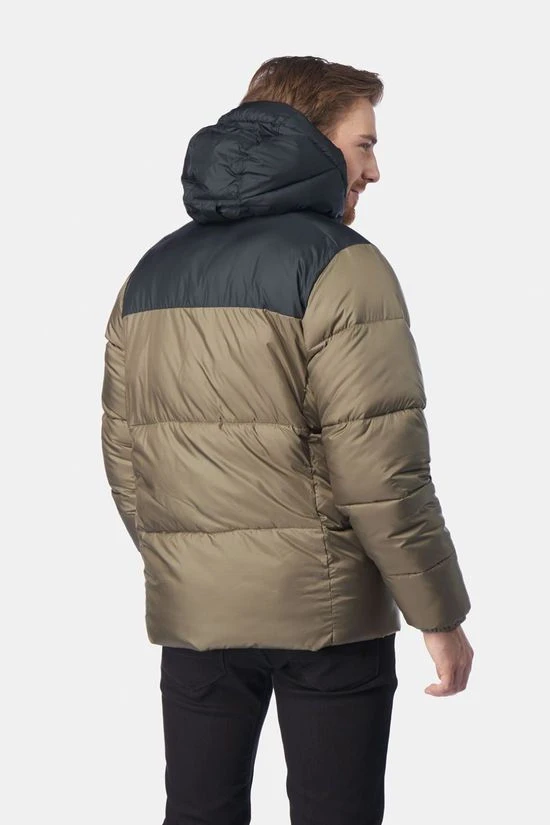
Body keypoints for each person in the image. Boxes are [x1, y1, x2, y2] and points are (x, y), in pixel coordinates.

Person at [101, 55, 474, 825]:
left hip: (198, 616)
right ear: (313, 140)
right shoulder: (343, 266)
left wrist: (195, 564)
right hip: (328, 619)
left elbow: (124, 454)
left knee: (198, 812)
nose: (375, 170)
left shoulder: (152, 271)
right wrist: (437, 615)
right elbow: (383, 470)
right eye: (364, 145)